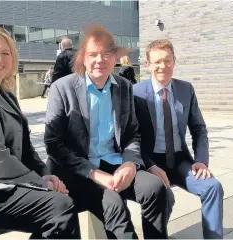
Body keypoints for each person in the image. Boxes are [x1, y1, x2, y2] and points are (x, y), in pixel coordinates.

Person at [0, 24, 79, 239]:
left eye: (5, 53)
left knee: (67, 195)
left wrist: (47, 175)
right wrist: (40, 183)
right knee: (59, 206)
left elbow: (27, 149)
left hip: (4, 188)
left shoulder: (5, 94)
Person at [45, 24, 169, 239]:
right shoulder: (62, 88)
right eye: (93, 54)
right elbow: (53, 143)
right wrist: (94, 173)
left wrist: (130, 163)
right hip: (80, 170)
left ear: (115, 59)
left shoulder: (123, 86)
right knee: (114, 204)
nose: (99, 60)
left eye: (106, 54)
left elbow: (132, 133)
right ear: (83, 58)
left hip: (117, 163)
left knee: (154, 188)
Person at [133, 39, 224, 239]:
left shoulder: (186, 89)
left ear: (174, 61)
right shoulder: (136, 93)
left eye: (167, 60)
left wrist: (201, 160)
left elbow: (199, 128)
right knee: (162, 196)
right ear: (148, 64)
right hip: (151, 162)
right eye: (157, 62)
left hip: (179, 160)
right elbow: (132, 137)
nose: (162, 66)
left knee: (212, 187)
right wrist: (148, 165)